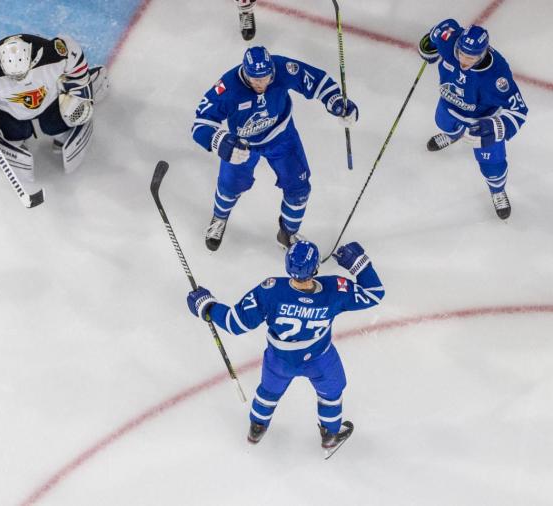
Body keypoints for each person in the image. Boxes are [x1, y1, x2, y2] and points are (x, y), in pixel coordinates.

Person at [186, 240, 384, 451]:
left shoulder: (270, 290)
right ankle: (330, 435)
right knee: (331, 393)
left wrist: (207, 306)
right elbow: (374, 292)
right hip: (320, 359)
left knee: (268, 392)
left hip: (279, 361)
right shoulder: (334, 289)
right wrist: (359, 264)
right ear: (315, 267)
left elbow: (235, 323)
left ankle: (257, 427)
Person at [191, 46, 358, 251]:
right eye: (255, 79)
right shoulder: (227, 88)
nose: (262, 84)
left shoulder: (282, 68)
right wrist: (219, 142)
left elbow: (314, 80)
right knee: (229, 186)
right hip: (244, 145)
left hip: (282, 138)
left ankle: (287, 233)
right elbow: (200, 124)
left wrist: (335, 100)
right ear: (245, 71)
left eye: (266, 78)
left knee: (299, 189)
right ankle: (219, 218)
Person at [0, 33, 108, 179]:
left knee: (59, 124)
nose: (19, 80)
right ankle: (17, 144)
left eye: (22, 74)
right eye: (13, 76)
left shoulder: (52, 55)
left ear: (31, 59)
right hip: (12, 113)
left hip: (49, 104)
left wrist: (78, 96)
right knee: (15, 135)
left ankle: (60, 137)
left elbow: (75, 62)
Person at [418, 20, 528, 220]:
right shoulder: (449, 39)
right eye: (461, 53)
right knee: (445, 124)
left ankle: (497, 191)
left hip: (482, 123)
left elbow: (519, 111)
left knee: (493, 165)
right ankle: (453, 136)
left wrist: (495, 127)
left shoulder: (497, 76)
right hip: (449, 107)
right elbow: (435, 35)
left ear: (483, 53)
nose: (463, 61)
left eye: (471, 57)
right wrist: (427, 48)